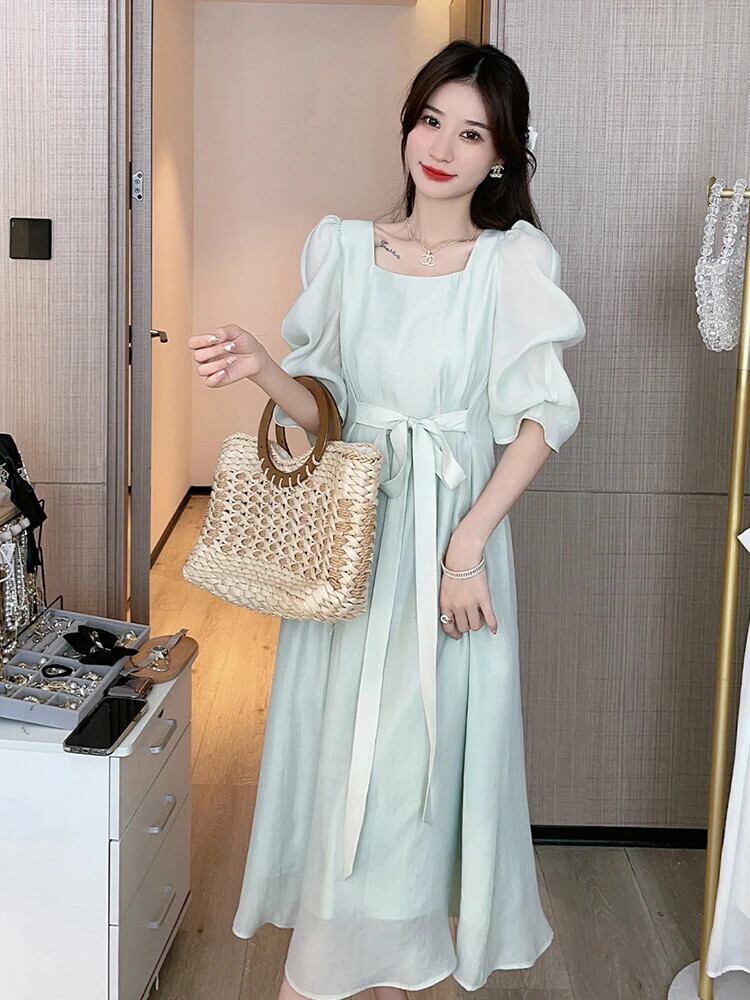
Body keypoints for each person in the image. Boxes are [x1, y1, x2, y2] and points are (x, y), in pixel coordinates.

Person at [187, 39, 585, 1000]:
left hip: (453, 551)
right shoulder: (341, 247)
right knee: (343, 762)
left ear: (504, 155)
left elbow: (543, 418)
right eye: (431, 120)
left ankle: (390, 972)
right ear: (408, 125)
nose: (442, 148)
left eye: (473, 133)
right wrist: (264, 368)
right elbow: (326, 413)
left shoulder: (513, 261)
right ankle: (333, 969)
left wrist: (468, 546)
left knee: (422, 775)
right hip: (353, 548)